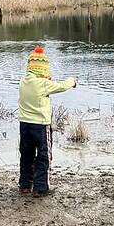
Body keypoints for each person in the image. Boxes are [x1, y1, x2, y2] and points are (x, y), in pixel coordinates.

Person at [18, 46, 76, 197]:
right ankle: (40, 187)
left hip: (24, 124)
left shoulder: (23, 81)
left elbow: (37, 85)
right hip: (41, 125)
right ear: (43, 69)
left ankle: (25, 184)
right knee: (44, 156)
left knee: (26, 154)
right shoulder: (43, 84)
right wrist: (72, 81)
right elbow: (62, 86)